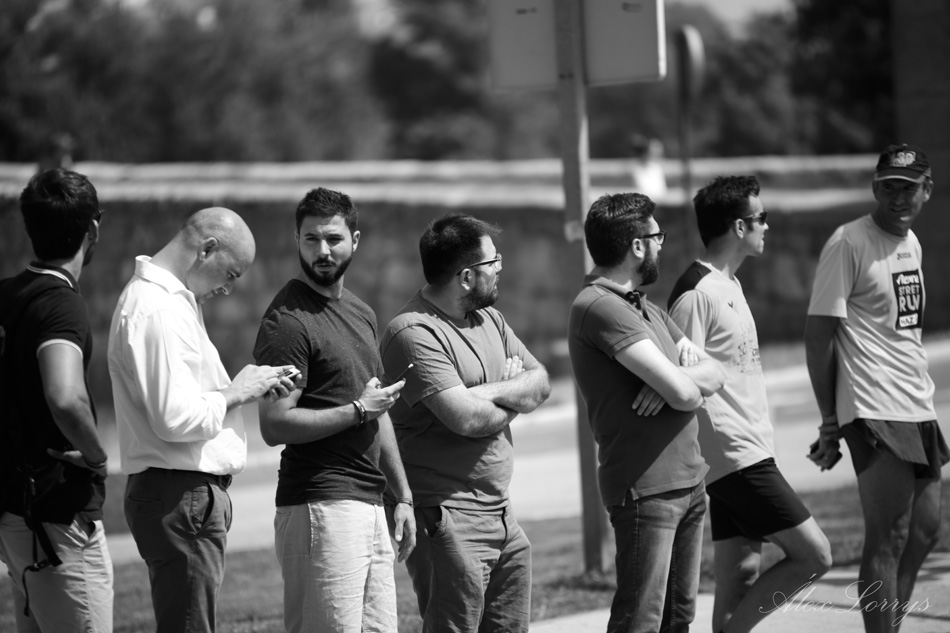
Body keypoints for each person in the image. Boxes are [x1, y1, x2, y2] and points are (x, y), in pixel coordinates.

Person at [108, 207, 294, 633]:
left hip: (182, 493)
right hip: (180, 494)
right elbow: (173, 419)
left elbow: (184, 402)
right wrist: (237, 391)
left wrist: (249, 389)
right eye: (231, 274)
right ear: (207, 249)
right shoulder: (157, 307)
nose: (229, 289)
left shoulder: (169, 301)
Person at [668, 176, 831, 633]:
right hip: (733, 456)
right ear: (739, 227)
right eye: (761, 218)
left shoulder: (730, 284)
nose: (767, 226)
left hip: (750, 448)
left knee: (740, 577)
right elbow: (679, 379)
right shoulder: (696, 293)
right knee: (815, 555)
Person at [252, 187, 415, 633]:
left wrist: (402, 496)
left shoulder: (361, 312)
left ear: (355, 240)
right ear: (297, 240)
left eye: (333, 239)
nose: (322, 251)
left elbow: (379, 410)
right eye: (311, 239)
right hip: (320, 505)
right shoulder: (288, 322)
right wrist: (358, 409)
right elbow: (274, 424)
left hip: (369, 503)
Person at [379, 213, 551, 633]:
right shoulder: (412, 332)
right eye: (494, 262)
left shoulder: (489, 319)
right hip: (447, 518)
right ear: (467, 277)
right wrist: (511, 394)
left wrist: (483, 392)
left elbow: (541, 383)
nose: (501, 268)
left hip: (502, 512)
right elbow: (466, 419)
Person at [805, 144, 949, 633]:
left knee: (925, 530)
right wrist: (830, 421)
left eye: (908, 188)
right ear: (874, 188)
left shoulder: (912, 243)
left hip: (915, 401)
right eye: (889, 187)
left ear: (927, 190)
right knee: (889, 535)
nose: (898, 197)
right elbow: (819, 335)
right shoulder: (848, 242)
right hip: (872, 404)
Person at [568, 192, 725, 633]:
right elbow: (688, 394)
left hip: (688, 482)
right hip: (647, 490)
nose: (661, 246)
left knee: (677, 620)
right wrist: (677, 382)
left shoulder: (644, 307)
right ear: (637, 246)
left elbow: (716, 373)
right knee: (640, 621)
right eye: (657, 237)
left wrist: (673, 379)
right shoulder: (600, 307)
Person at [0, 169, 113, 632]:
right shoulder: (62, 304)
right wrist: (97, 455)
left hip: (15, 512)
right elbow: (65, 396)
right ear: (93, 229)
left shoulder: (6, 294)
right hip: (55, 515)